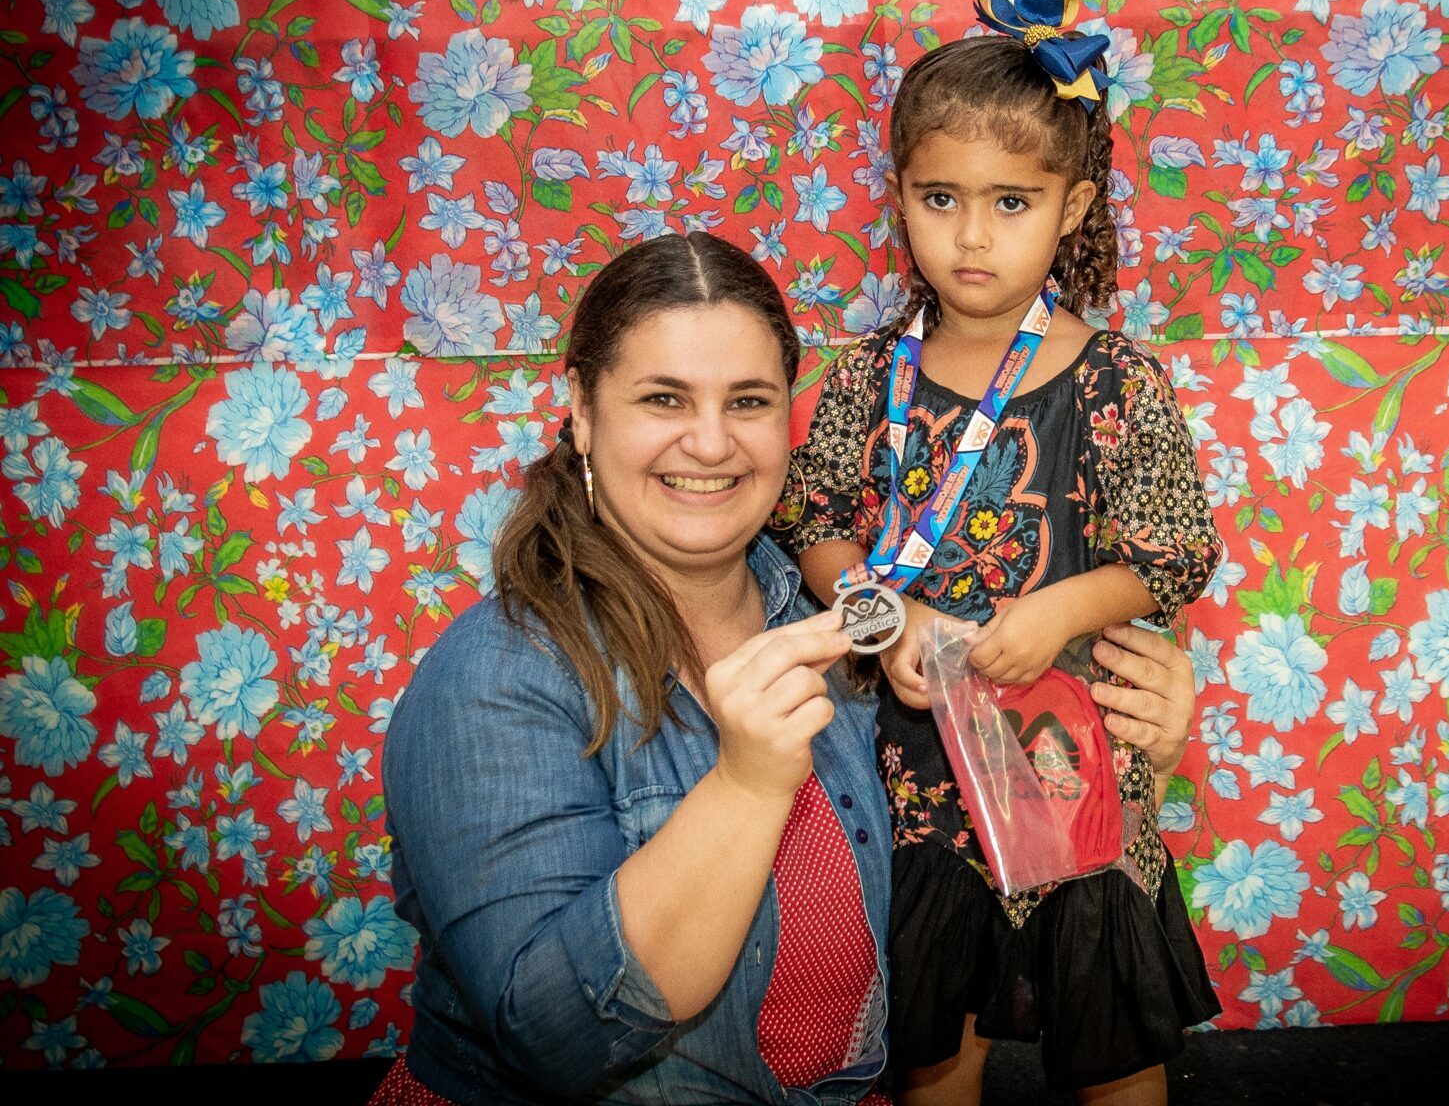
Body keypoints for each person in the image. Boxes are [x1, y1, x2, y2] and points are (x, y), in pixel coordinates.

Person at [377, 232, 1203, 1105]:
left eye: (748, 401)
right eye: (663, 398)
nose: (710, 443)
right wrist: (745, 784)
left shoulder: (844, 618)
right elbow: (553, 1038)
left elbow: (974, 872)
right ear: (582, 409)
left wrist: (1128, 745)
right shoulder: (497, 677)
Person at [773, 0, 1224, 1105]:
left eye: (1011, 201)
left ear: (1073, 208)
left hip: (1074, 763)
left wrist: (1061, 609)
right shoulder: (868, 377)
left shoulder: (1118, 380)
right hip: (919, 778)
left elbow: (1175, 550)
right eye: (941, 198)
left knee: (1114, 1045)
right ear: (900, 197)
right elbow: (813, 526)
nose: (972, 235)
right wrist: (883, 622)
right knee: (938, 1046)